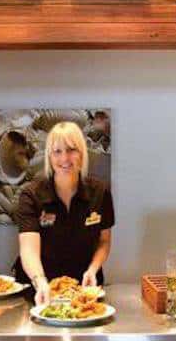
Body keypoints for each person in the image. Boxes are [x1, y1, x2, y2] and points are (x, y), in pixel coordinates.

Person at [13, 121, 115, 305]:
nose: (65, 158)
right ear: (49, 156)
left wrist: (93, 269)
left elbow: (104, 241)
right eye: (57, 151)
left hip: (84, 287)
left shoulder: (100, 192)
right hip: (39, 288)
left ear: (82, 153)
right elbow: (28, 248)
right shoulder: (31, 195)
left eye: (71, 150)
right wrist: (40, 281)